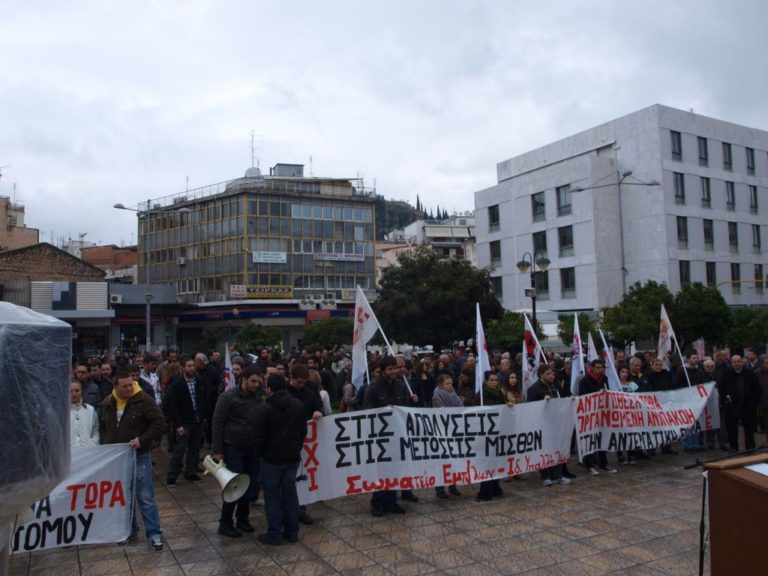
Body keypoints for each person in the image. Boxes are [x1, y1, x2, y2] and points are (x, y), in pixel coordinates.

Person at [100, 367, 165, 550]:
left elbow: (159, 422)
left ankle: (154, 533)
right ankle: (129, 530)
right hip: (118, 458)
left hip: (140, 455)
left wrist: (142, 439)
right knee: (124, 496)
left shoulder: (144, 400)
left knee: (145, 496)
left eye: (131, 385)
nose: (129, 389)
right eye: (125, 386)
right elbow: (104, 426)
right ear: (116, 387)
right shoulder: (108, 403)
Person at [254, 373, 307, 545]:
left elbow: (259, 435)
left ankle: (275, 533)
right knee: (290, 493)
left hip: (272, 458)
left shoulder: (265, 407)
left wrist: (261, 453)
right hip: (292, 456)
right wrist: (296, 447)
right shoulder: (297, 404)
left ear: (269, 389)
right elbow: (302, 431)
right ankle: (292, 532)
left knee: (272, 496)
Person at [212, 365, 262, 537]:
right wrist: (217, 450)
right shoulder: (228, 397)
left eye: (259, 381)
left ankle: (242, 519)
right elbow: (217, 423)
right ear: (244, 379)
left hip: (252, 447)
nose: (256, 384)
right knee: (235, 485)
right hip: (233, 446)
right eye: (253, 381)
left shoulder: (258, 396)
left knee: (250, 484)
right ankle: (225, 522)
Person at [364, 356, 412, 516]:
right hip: (380, 437)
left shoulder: (401, 386)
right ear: (383, 371)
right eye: (390, 369)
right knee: (381, 470)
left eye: (395, 368)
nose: (394, 372)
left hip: (397, 434)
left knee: (395, 468)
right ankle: (377, 502)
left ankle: (391, 501)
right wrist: (384, 411)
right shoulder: (372, 389)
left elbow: (406, 408)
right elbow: (367, 412)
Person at [527, 364, 571, 487]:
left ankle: (557, 475)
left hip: (555, 423)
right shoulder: (533, 389)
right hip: (542, 425)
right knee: (545, 450)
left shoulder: (554, 387)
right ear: (541, 375)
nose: (551, 376)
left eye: (552, 374)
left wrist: (568, 401)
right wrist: (542, 402)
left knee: (556, 449)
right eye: (548, 374)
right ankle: (545, 476)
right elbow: (529, 407)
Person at [166, 356, 206, 486]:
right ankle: (172, 475)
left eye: (193, 365)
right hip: (184, 422)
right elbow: (173, 406)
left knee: (194, 449)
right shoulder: (176, 385)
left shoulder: (199, 381)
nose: (192, 368)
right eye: (189, 366)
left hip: (197, 420)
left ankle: (190, 472)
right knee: (179, 449)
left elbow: (203, 400)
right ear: (182, 368)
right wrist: (177, 424)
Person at [578, 360, 617, 475]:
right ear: (592, 368)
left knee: (603, 437)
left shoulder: (604, 379)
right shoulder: (584, 381)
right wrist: (597, 394)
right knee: (590, 440)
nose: (600, 370)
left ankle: (603, 463)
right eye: (598, 367)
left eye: (602, 367)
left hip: (602, 413)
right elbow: (583, 397)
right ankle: (589, 465)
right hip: (590, 414)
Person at [719, 355, 761, 452]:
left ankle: (750, 448)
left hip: (748, 406)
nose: (737, 363)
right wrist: (726, 401)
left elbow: (757, 390)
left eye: (738, 361)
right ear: (732, 363)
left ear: (742, 362)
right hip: (731, 407)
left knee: (749, 429)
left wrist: (753, 403)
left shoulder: (750, 374)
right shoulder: (726, 375)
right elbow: (722, 390)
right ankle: (733, 448)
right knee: (732, 429)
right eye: (734, 362)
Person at [475, 372, 507, 500]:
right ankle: (485, 491)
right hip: (485, 435)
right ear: (486, 381)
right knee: (486, 463)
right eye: (491, 380)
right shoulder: (480, 396)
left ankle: (496, 487)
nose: (494, 382)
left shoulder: (500, 394)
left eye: (496, 380)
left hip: (497, 433)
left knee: (496, 461)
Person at [431, 373, 462, 499]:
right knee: (442, 461)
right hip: (442, 432)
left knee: (454, 460)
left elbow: (459, 406)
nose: (450, 386)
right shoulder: (436, 397)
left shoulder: (453, 394)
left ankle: (453, 485)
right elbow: (441, 413)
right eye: (447, 384)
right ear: (440, 385)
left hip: (454, 431)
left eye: (451, 383)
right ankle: (440, 488)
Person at [70, 381, 99, 447]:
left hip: (87, 452)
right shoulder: (62, 413)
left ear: (82, 391)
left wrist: (93, 444)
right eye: (70, 391)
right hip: (69, 453)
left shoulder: (90, 410)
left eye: (77, 391)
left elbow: (95, 430)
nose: (74, 394)